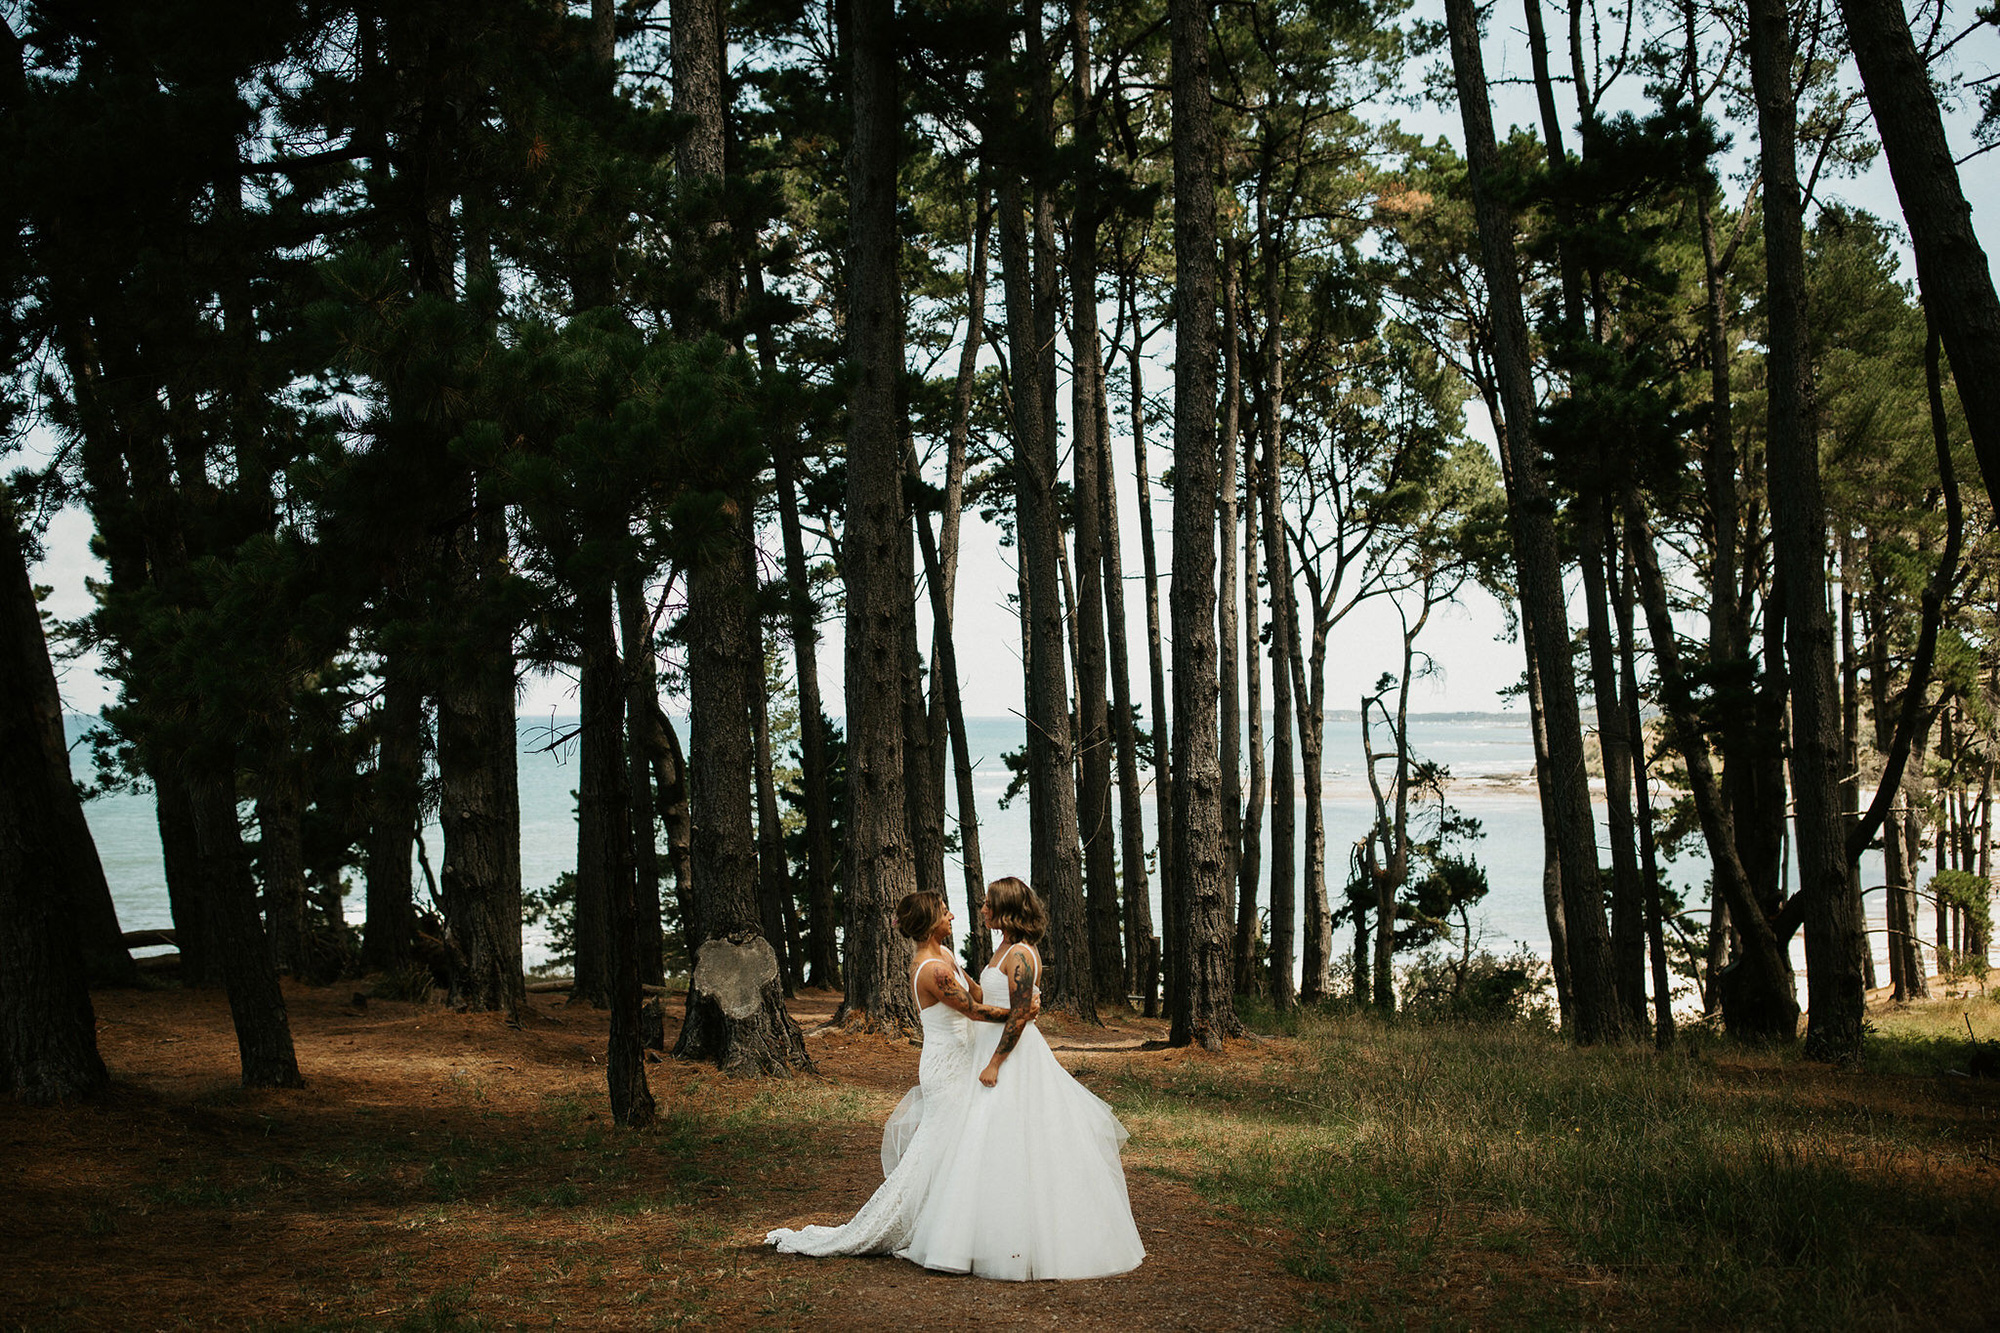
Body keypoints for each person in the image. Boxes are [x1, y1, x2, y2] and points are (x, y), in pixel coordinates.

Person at [897, 876, 1147, 1281]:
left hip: (1009, 1054)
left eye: (987, 904)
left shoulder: (1022, 955)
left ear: (1005, 910)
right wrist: (983, 993)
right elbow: (983, 1000)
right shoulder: (1000, 948)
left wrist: (995, 1062)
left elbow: (1015, 1016)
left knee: (1014, 1141)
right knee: (985, 1142)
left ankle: (1020, 1240)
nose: (980, 910)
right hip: (986, 1045)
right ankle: (976, 1235)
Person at [764, 890, 1018, 1260]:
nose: (952, 917)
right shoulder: (932, 969)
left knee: (960, 1145)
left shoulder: (945, 956)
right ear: (932, 922)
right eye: (945, 913)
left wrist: (1005, 997)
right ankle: (903, 1223)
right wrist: (1020, 1014)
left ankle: (954, 1221)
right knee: (937, 1148)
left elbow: (976, 991)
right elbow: (975, 1011)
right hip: (945, 1065)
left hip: (964, 1058)